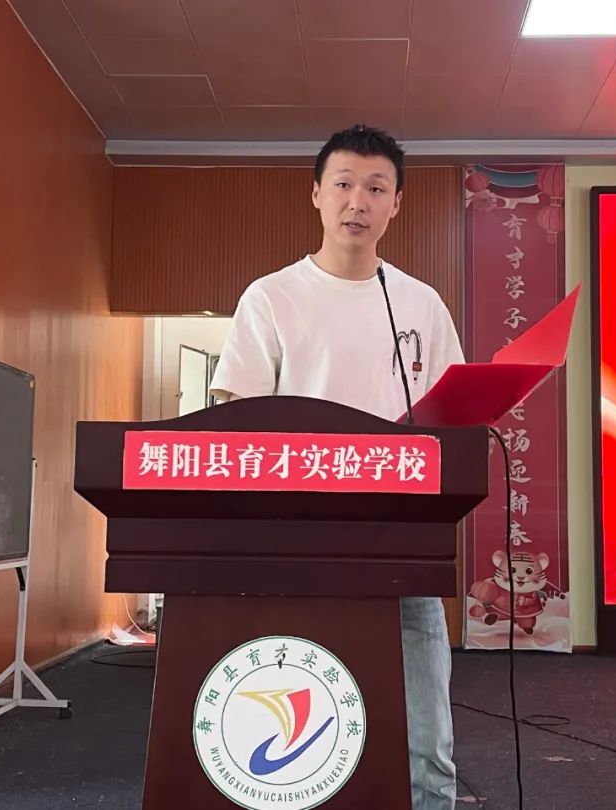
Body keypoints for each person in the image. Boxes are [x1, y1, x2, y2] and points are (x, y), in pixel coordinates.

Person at [209, 124, 464, 810]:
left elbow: (452, 417)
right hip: (297, 537)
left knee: (425, 728)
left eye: (376, 188)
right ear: (317, 194)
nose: (359, 201)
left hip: (402, 535)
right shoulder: (271, 297)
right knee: (298, 710)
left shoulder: (419, 303)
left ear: (396, 205)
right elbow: (236, 420)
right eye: (344, 184)